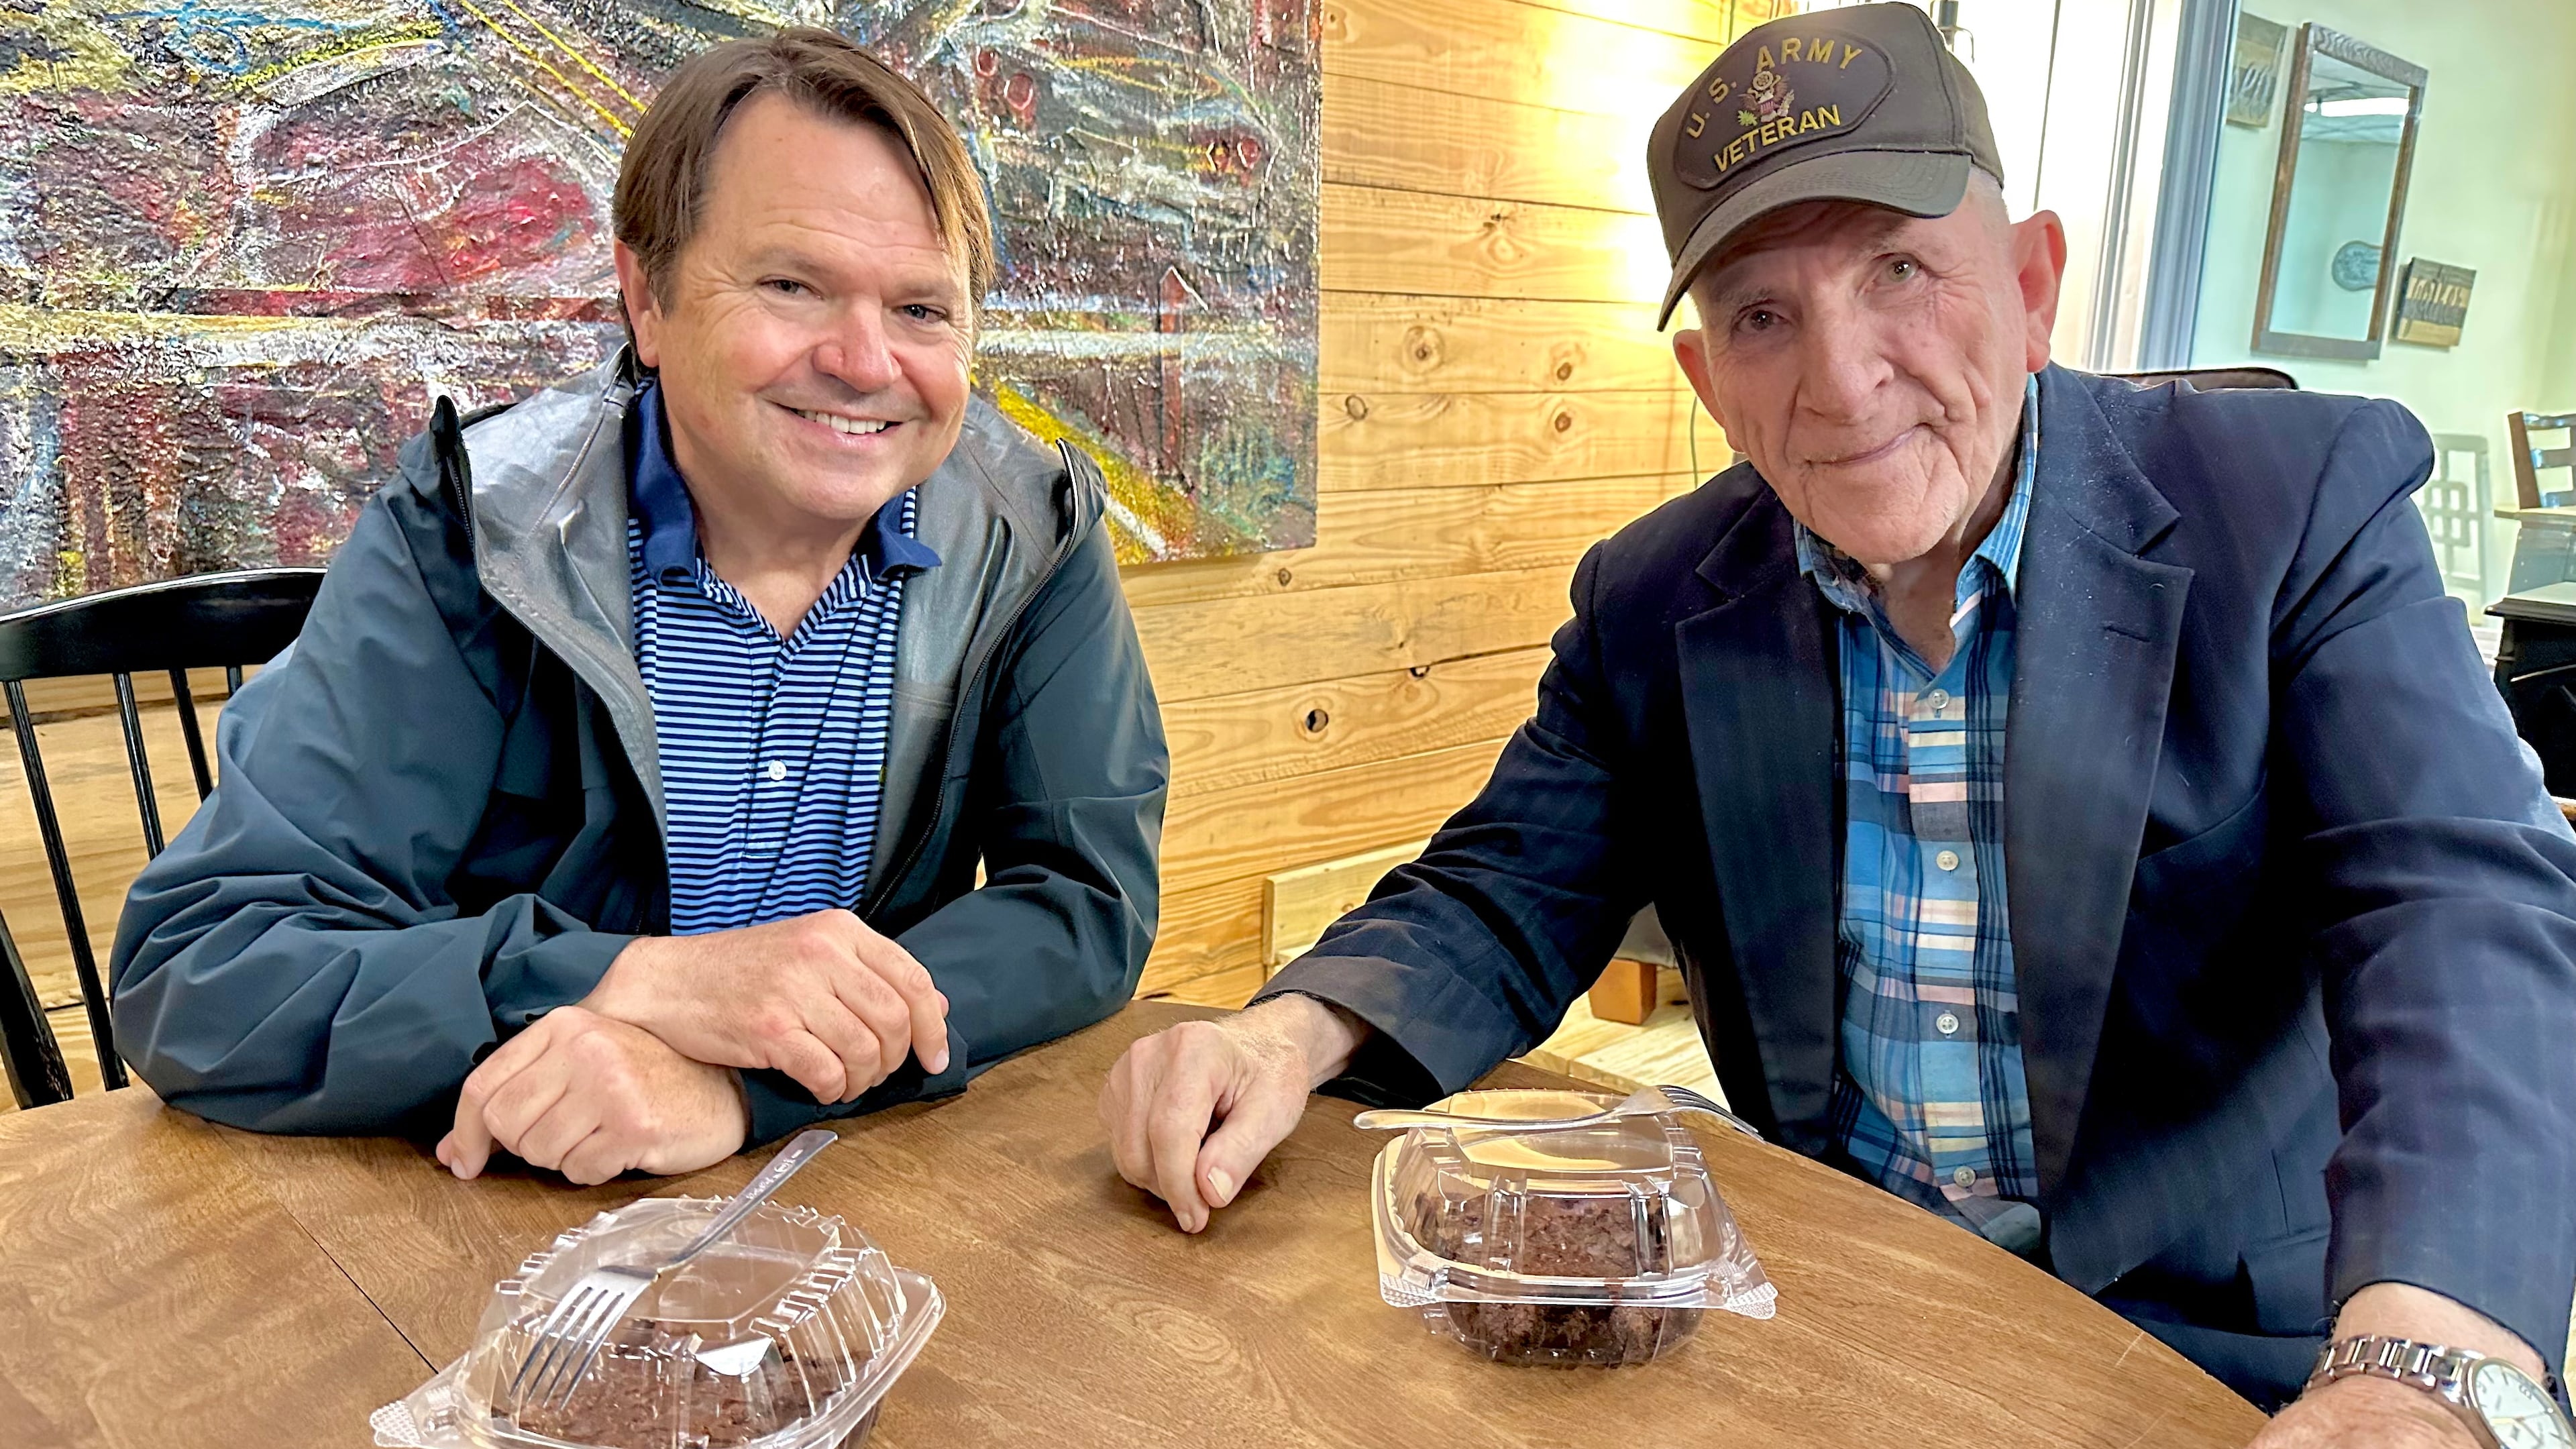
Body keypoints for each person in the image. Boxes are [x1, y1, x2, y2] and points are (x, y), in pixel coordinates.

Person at [1100, 7, 2576, 1443]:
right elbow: (1504, 891)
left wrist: (2432, 1363)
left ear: (2033, 283)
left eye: (1900, 271)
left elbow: (2457, 906)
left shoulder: (2297, 505)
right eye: (1761, 315)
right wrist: (1285, 1034)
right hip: (1828, 1308)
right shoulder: (1653, 597)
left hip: (2227, 1354)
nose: (1845, 378)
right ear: (1707, 382)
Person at [111, 30, 1167, 1187]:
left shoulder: (1037, 529)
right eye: (792, 284)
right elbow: (203, 972)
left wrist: (740, 1082)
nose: (867, 362)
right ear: (648, 299)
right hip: (489, 1215)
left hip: (849, 1197)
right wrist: (635, 981)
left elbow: (1079, 901)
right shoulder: (475, 529)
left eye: (923, 309)